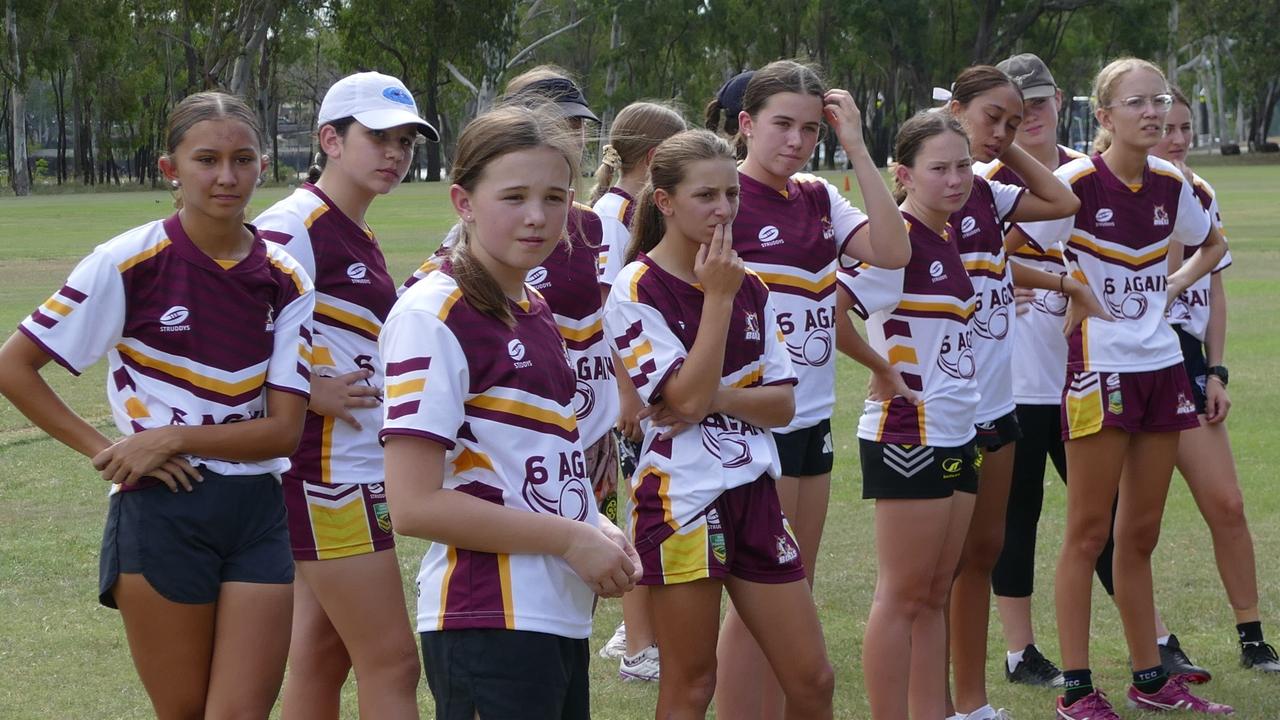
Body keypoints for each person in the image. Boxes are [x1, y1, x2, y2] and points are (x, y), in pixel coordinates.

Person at [0, 91, 314, 718]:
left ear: (262, 165)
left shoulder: (285, 276)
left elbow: (283, 433)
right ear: (170, 168)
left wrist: (172, 438)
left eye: (243, 159)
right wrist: (106, 450)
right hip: (160, 509)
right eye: (207, 159)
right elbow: (14, 366)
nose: (226, 176)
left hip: (257, 510)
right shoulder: (125, 262)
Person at [380, 102, 639, 720]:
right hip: (487, 618)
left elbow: (526, 463)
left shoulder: (533, 304)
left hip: (554, 613)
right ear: (463, 201)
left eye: (555, 197)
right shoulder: (433, 312)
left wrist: (596, 527)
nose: (537, 217)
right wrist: (572, 538)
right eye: (514, 196)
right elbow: (414, 503)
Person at [1011, 57, 1232, 717]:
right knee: (1087, 533)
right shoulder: (1076, 181)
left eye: (1159, 100)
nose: (1153, 112)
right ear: (1103, 117)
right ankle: (1077, 689)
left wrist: (1167, 285)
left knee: (1139, 535)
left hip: (1162, 371)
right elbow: (1010, 254)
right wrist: (1069, 285)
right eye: (1137, 102)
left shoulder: (1171, 182)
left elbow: (1211, 244)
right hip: (1097, 373)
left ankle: (1149, 679)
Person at [604, 128, 834, 720]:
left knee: (812, 678)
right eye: (706, 196)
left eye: (731, 194)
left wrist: (716, 398)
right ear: (665, 202)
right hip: (682, 501)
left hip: (755, 493)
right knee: (691, 684)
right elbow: (682, 395)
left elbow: (783, 405)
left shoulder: (748, 284)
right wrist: (717, 302)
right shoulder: (637, 287)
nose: (724, 209)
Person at [712, 59, 911, 719]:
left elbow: (893, 249)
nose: (795, 142)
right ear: (745, 125)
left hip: (810, 415)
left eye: (808, 129)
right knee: (758, 598)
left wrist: (856, 144)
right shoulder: (721, 200)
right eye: (780, 126)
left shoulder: (820, 197)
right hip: (747, 424)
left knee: (794, 588)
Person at [253, 71, 435, 719]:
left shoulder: (350, 227)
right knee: (391, 660)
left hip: (351, 467)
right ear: (330, 139)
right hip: (326, 475)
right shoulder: (297, 222)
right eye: (379, 138)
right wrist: (304, 391)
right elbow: (227, 325)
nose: (396, 153)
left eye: (407, 142)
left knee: (322, 653)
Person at [939, 64, 1081, 720]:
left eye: (1014, 120)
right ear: (955, 109)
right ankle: (932, 701)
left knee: (981, 554)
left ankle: (973, 702)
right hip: (943, 409)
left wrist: (1005, 143)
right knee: (929, 577)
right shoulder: (932, 194)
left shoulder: (988, 193)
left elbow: (1061, 203)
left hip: (998, 401)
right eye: (990, 116)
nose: (1001, 131)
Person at [1155, 86, 1280, 675]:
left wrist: (1218, 370)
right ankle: (1152, 646)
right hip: (1130, 365)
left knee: (1227, 504)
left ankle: (1252, 636)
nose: (1177, 139)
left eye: (1183, 128)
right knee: (1131, 521)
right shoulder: (1099, 184)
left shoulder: (1201, 191)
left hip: (1188, 363)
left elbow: (1215, 290)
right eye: (1165, 127)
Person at [591, 99, 688, 681]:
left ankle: (638, 632)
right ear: (655, 160)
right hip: (624, 392)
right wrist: (627, 394)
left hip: (640, 384)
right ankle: (636, 644)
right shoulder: (610, 214)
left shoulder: (627, 207)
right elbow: (608, 312)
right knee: (639, 511)